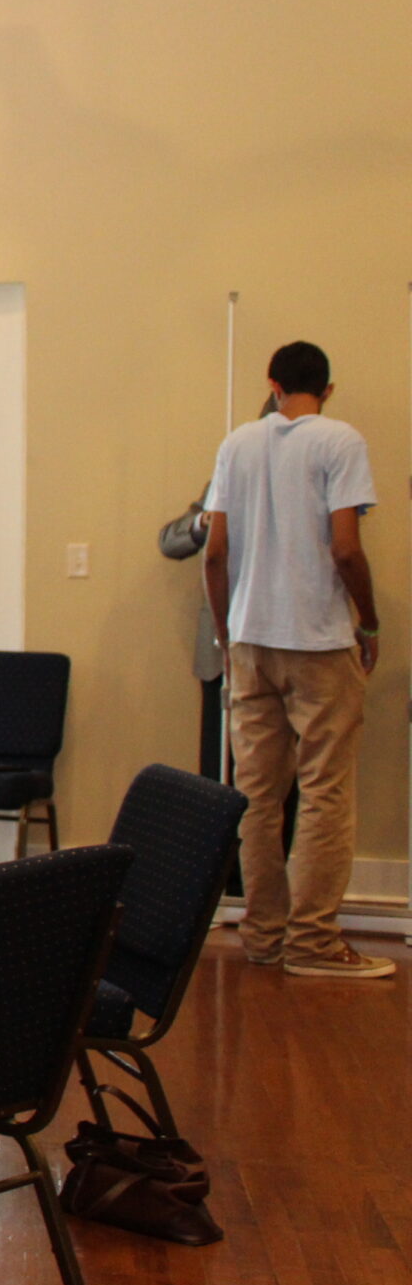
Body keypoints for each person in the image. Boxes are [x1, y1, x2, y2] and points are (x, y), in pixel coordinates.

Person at [204, 341, 394, 980]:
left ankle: (263, 936)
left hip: (250, 639)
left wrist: (227, 632)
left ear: (273, 383)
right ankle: (312, 943)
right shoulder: (340, 441)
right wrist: (369, 621)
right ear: (328, 389)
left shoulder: (237, 444)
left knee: (258, 797)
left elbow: (214, 552)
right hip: (317, 641)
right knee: (324, 792)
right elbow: (346, 548)